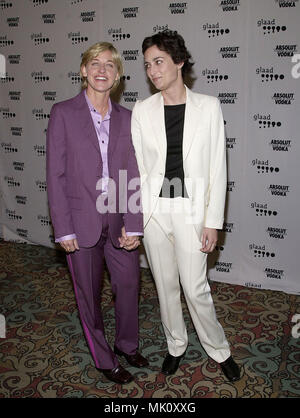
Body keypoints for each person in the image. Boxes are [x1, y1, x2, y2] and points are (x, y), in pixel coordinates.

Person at [131, 30, 240, 381]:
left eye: (159, 62)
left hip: (191, 211)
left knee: (195, 288)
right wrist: (135, 217)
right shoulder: (142, 110)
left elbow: (217, 171)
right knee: (164, 285)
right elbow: (138, 169)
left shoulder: (208, 107)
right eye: (148, 65)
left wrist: (213, 222)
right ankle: (175, 345)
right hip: (154, 213)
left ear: (179, 62)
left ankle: (218, 349)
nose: (153, 71)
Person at [46, 42, 148, 384]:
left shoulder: (128, 118)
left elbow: (133, 173)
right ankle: (104, 359)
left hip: (120, 219)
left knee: (130, 283)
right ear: (83, 71)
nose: (101, 70)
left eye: (109, 65)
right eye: (95, 63)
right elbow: (55, 175)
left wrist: (134, 224)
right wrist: (63, 229)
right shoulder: (63, 112)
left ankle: (127, 344)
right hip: (79, 221)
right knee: (88, 296)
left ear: (118, 76)